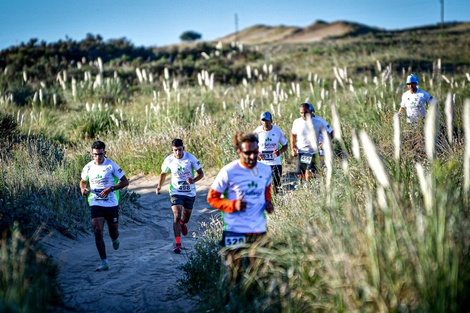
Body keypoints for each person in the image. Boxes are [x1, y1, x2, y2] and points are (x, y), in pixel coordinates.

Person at [207, 131, 274, 282]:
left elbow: (266, 192)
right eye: (247, 153)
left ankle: (255, 303)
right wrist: (232, 205)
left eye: (255, 152)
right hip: (235, 229)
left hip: (258, 229)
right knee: (234, 274)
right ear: (239, 152)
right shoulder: (228, 171)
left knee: (259, 273)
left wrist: (268, 204)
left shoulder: (266, 170)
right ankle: (232, 303)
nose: (252, 156)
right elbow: (212, 198)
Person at [80, 140, 129, 272]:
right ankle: (104, 262)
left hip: (111, 203)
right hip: (96, 202)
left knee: (113, 232)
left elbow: (125, 182)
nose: (98, 157)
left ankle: (115, 238)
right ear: (92, 154)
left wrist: (111, 188)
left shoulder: (111, 165)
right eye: (95, 154)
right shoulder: (88, 167)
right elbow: (83, 181)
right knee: (98, 231)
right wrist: (83, 189)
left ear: (105, 153)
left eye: (100, 154)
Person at [156, 138, 204, 254]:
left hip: (189, 192)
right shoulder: (169, 160)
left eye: (180, 150)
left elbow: (201, 173)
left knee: (185, 218)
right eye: (175, 150)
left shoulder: (190, 158)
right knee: (176, 215)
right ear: (172, 150)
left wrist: (193, 180)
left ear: (183, 148)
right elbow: (163, 173)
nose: (178, 153)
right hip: (176, 191)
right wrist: (159, 186)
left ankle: (182, 223)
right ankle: (178, 243)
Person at [253, 111, 288, 194]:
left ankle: (276, 201)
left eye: (267, 121)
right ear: (261, 121)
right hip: (262, 162)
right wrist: (257, 153)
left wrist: (279, 151)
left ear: (271, 121)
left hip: (275, 162)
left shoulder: (278, 131)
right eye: (263, 121)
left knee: (276, 184)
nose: (265, 123)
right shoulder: (257, 132)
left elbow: (285, 145)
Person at [290, 102, 325, 182]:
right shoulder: (297, 122)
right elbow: (293, 134)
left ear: (310, 112)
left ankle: (311, 188)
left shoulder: (318, 122)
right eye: (302, 113)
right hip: (301, 152)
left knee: (309, 173)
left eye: (306, 112)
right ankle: (305, 190)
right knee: (300, 175)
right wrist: (293, 148)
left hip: (313, 152)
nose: (303, 114)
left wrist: (323, 143)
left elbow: (328, 134)